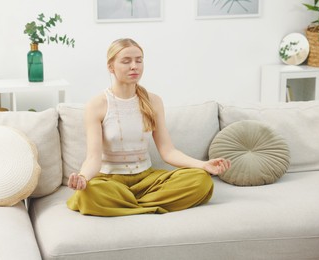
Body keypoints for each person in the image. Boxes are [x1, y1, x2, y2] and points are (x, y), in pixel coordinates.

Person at [67, 38, 231, 217]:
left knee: (201, 181)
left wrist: (204, 165)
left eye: (139, 60)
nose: (134, 66)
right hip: (111, 182)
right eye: (126, 61)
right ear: (110, 66)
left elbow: (168, 151)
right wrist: (83, 178)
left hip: (147, 180)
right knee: (88, 193)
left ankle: (127, 206)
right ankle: (144, 206)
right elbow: (93, 158)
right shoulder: (96, 105)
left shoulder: (153, 101)